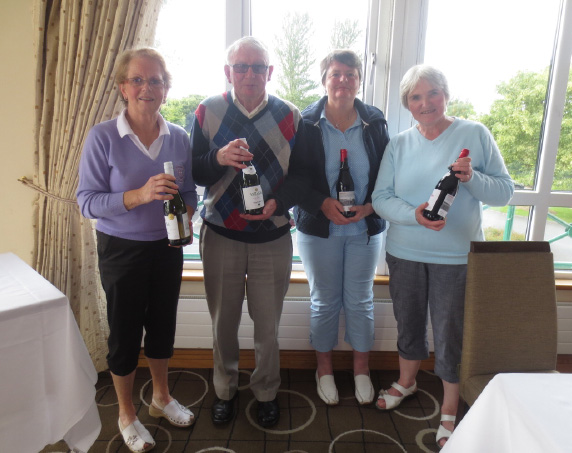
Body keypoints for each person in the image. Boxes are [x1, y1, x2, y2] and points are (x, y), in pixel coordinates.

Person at [371, 64, 514, 449]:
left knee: (450, 332)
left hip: (455, 257)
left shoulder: (474, 134)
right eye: (415, 97)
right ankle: (407, 381)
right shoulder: (399, 143)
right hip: (404, 251)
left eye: (432, 93)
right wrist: (413, 215)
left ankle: (449, 407)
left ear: (445, 94)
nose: (425, 103)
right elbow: (381, 198)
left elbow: (504, 193)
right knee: (409, 322)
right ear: (408, 104)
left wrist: (472, 178)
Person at [77, 48, 198, 453]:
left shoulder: (178, 137)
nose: (148, 87)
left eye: (156, 80)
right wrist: (139, 195)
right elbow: (87, 202)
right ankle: (126, 413)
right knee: (125, 332)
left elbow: (189, 192)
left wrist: (187, 216)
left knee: (162, 326)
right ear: (123, 87)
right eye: (138, 80)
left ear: (166, 88)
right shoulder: (102, 137)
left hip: (167, 246)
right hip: (121, 248)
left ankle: (161, 398)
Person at [190, 36, 309, 428]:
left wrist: (279, 203)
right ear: (228, 72)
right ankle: (224, 390)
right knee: (223, 323)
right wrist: (218, 157)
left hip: (272, 236)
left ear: (269, 72)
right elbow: (195, 172)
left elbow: (304, 176)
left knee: (267, 326)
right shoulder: (207, 111)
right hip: (221, 234)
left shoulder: (291, 115)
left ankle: (267, 392)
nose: (249, 74)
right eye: (241, 67)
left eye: (258, 67)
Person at [294, 50, 389, 406]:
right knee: (324, 301)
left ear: (360, 81)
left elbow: (388, 174)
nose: (344, 80)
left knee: (360, 300)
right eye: (336, 73)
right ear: (324, 80)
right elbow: (294, 177)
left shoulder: (374, 122)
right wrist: (321, 203)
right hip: (319, 229)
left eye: (351, 74)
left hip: (364, 228)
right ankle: (325, 371)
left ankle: (361, 370)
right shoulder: (305, 123)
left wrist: (371, 207)